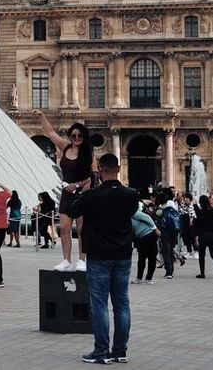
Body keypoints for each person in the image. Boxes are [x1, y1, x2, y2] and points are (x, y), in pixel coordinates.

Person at [65, 153, 137, 365]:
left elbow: (70, 211)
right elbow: (130, 213)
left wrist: (80, 191)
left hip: (98, 256)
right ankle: (120, 351)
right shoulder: (131, 194)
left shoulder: (92, 196)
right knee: (122, 304)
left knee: (99, 305)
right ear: (118, 170)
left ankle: (101, 351)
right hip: (123, 255)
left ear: (100, 170)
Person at [37, 111, 94, 272]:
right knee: (64, 228)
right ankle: (66, 260)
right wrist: (42, 116)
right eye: (73, 135)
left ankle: (82, 260)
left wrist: (76, 185)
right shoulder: (65, 147)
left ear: (84, 137)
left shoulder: (88, 155)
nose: (76, 138)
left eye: (79, 136)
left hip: (82, 195)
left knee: (82, 230)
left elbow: (92, 178)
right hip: (67, 195)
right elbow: (50, 133)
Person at [131, 201, 158, 284]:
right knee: (142, 257)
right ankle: (139, 278)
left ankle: (148, 278)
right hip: (141, 237)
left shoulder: (134, 212)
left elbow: (147, 218)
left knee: (151, 257)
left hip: (149, 235)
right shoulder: (126, 215)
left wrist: (155, 228)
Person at [193, 195, 213, 279]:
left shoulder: (200, 212)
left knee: (202, 254)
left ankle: (202, 273)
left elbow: (197, 225)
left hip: (204, 236)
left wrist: (196, 236)